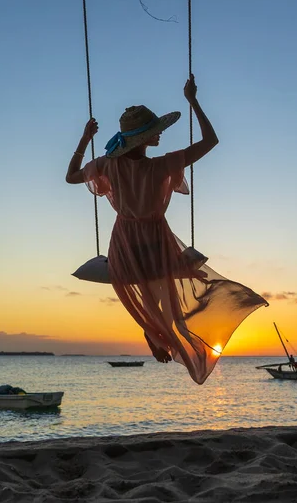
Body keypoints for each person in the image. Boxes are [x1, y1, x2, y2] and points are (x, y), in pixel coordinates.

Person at [66, 75, 268, 384]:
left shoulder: (107, 164)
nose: (160, 135)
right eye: (154, 131)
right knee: (165, 290)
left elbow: (71, 176)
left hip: (124, 239)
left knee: (153, 292)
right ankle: (155, 332)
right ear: (144, 138)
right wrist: (193, 101)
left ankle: (152, 331)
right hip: (155, 236)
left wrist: (84, 138)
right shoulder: (163, 165)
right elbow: (211, 141)